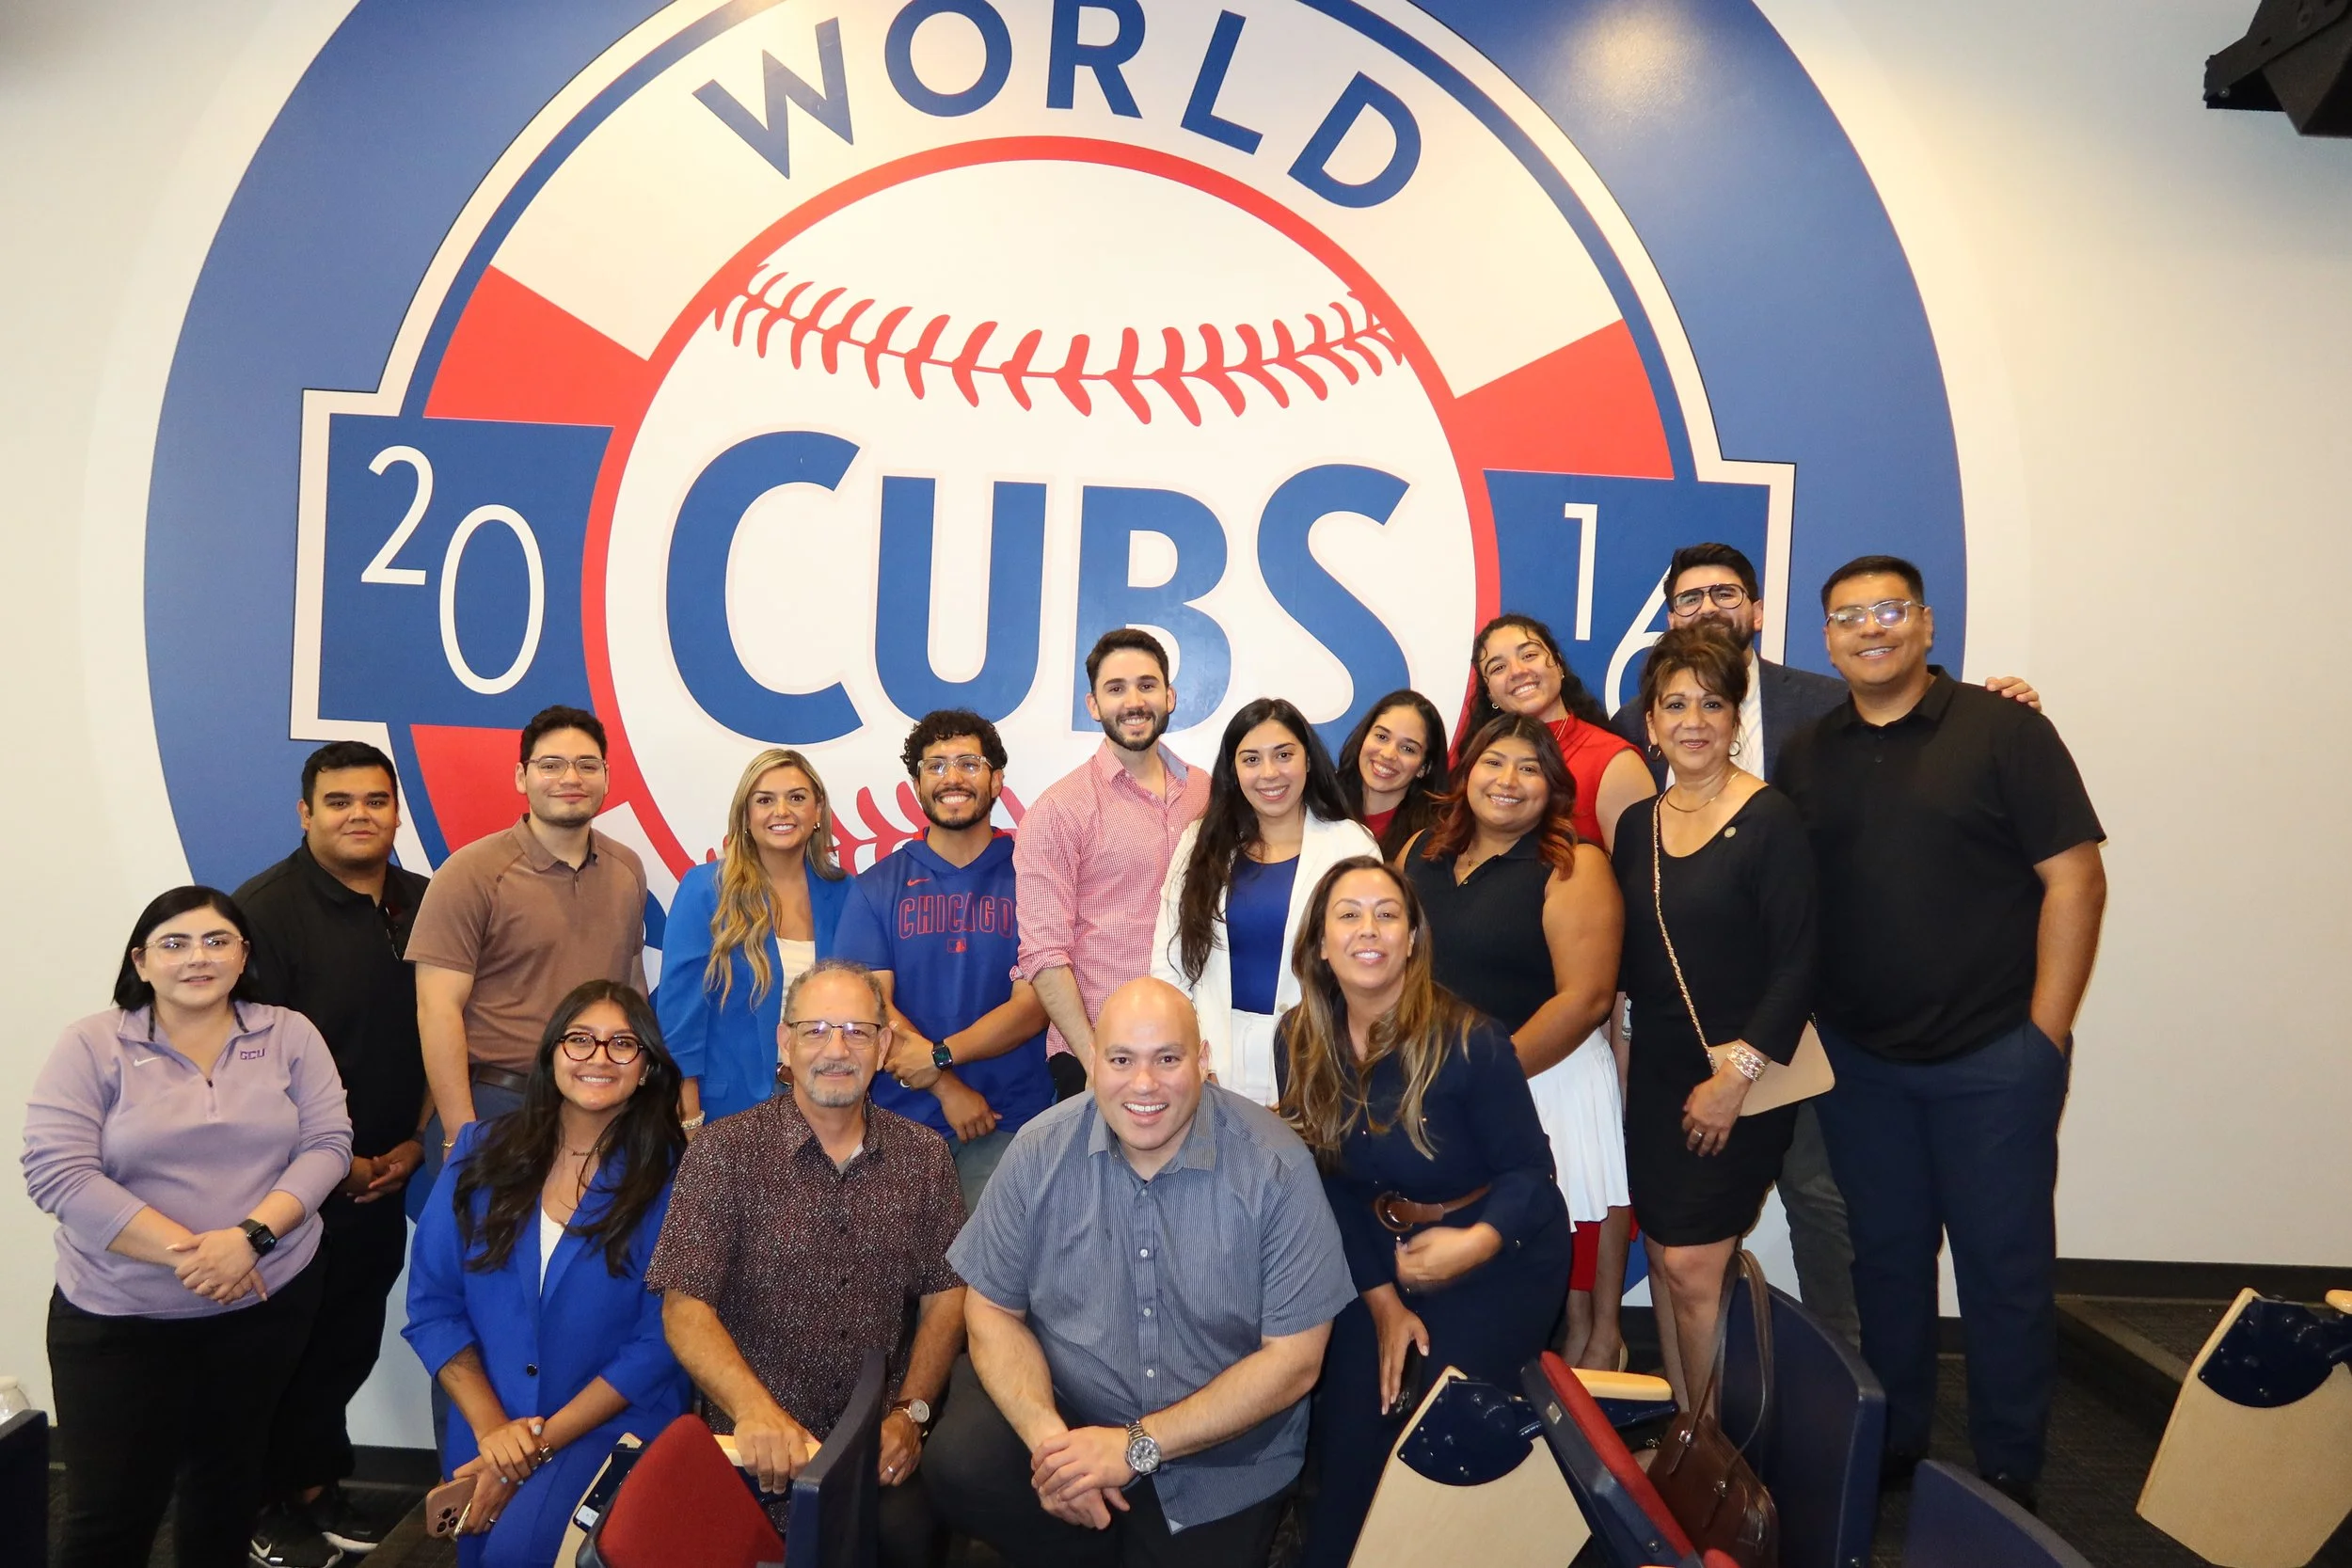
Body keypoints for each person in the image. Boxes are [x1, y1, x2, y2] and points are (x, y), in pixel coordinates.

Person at [1608, 541, 2042, 1347]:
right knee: (1681, 1255)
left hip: (1811, 1018)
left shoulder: (1820, 703)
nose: (1709, 608)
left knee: (1824, 1205)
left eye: (1726, 592)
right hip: (1676, 1042)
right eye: (1690, 597)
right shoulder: (1632, 734)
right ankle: (1702, 1439)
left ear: (1759, 609)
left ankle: (1849, 1405)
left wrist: (1998, 703)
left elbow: (1911, 724)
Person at [1777, 555, 2106, 1511]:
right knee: (1884, 1262)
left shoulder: (2006, 730)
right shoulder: (1809, 751)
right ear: (1827, 638)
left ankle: (2008, 1463)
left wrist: (2042, 1036)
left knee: (2004, 1269)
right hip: (1864, 1064)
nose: (1869, 629)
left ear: (1924, 624)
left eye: (1888, 610)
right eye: (1847, 617)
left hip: (1994, 1057)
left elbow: (2074, 880)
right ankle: (1899, 1438)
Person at [928, 978, 1353, 1567]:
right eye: (1122, 1059)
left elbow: (1296, 1362)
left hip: (1218, 1460)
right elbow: (992, 1307)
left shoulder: (1276, 1168)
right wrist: (1056, 1452)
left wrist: (1137, 1446)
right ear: (1092, 1061)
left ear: (1202, 1061)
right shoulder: (1039, 1149)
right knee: (961, 1462)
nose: (1144, 1084)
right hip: (1075, 1411)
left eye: (1168, 1059)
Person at [25, 887, 352, 1568]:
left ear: (243, 956)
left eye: (216, 940)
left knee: (227, 1495)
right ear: (141, 961)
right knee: (110, 1513)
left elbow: (328, 1146)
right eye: (174, 943)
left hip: (263, 1304)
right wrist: (197, 1256)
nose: (197, 957)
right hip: (120, 1321)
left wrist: (249, 1240)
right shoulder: (92, 1043)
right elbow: (58, 1173)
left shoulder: (290, 1033)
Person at [1276, 859, 1574, 1568]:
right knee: (1353, 1429)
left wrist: (1472, 1244)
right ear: (1320, 942)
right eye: (1348, 914)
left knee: (1432, 1428)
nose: (1369, 929)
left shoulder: (1471, 1039)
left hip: (1500, 1257)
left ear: (1413, 938)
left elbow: (1532, 1174)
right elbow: (1331, 1186)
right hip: (1379, 1261)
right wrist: (1381, 1300)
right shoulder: (1299, 1037)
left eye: (1388, 913)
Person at [650, 959, 967, 1568]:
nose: (836, 1048)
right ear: (785, 1041)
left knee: (909, 1536)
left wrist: (913, 1413)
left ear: (883, 1046)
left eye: (856, 1030)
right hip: (753, 1451)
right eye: (816, 1029)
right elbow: (684, 1306)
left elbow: (946, 1296)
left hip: (878, 1448)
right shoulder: (724, 1152)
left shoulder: (926, 1157)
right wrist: (754, 1409)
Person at [403, 980, 689, 1568]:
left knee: (518, 1554)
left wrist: (530, 1449)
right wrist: (495, 1434)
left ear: (648, 1068)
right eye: (579, 1040)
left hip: (608, 1422)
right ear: (551, 1054)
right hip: (492, 1421)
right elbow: (433, 1307)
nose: (598, 1058)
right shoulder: (479, 1151)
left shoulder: (676, 1177)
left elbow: (659, 1342)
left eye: (622, 1044)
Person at [1611, 625, 1818, 1407]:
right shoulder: (1639, 825)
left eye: (1712, 703)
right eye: (1675, 704)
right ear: (1652, 723)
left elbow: (1799, 964)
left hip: (1743, 1074)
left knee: (1697, 1265)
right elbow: (1634, 973)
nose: (1693, 720)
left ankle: (1717, 1453)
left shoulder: (1771, 819)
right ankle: (1687, 1438)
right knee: (1665, 1260)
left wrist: (1736, 1078)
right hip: (1657, 1074)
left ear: (1736, 719)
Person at [235, 741, 432, 1563]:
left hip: (390, 1173)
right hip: (289, 1185)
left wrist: (415, 1142)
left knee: (345, 1340)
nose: (360, 814)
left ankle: (314, 1487)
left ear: (397, 809)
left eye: (376, 800)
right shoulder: (265, 911)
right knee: (279, 1349)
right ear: (305, 812)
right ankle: (250, 1505)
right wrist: (334, 1162)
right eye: (340, 800)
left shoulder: (427, 900)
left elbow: (441, 1031)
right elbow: (245, 1063)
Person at [1402, 714, 1630, 1371]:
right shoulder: (1420, 850)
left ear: (1553, 786)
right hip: (1437, 1086)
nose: (1508, 780)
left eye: (1529, 768)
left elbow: (1584, 999)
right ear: (1465, 772)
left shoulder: (1572, 864)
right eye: (1494, 762)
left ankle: (1582, 1440)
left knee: (1573, 1300)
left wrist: (1485, 1078)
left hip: (1544, 1080)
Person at [409, 705, 649, 1209]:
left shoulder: (627, 868)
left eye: (587, 765)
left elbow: (631, 989)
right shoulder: (470, 874)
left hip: (601, 1103)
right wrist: (460, 1132)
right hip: (500, 1105)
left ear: (606, 777)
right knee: (489, 1276)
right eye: (550, 765)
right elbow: (437, 1011)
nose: (570, 778)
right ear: (522, 776)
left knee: (590, 1274)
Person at [834, 711, 1053, 1209]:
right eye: (935, 766)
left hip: (1010, 1123)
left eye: (968, 763)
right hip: (897, 1129)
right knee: (895, 1287)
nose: (952, 778)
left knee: (989, 1285)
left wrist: (939, 1058)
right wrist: (945, 1086)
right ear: (917, 784)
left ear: (996, 779)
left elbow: (1035, 1005)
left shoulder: (1033, 876)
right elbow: (868, 1005)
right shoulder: (877, 887)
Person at [1150, 697, 1377, 1106]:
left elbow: (1368, 967)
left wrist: (1320, 1067)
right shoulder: (1199, 844)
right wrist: (1190, 1058)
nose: (1269, 773)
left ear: (1308, 760)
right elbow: (1169, 966)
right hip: (1212, 1057)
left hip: (1318, 1060)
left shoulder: (1349, 844)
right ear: (1234, 772)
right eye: (1251, 759)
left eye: (1284, 755)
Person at [1014, 628, 1212, 1094]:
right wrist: (1096, 1061)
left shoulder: (1205, 791)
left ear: (1170, 695)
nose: (1134, 701)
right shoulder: (1060, 809)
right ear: (1093, 705)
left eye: (1146, 685)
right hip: (1099, 1054)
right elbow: (1043, 955)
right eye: (1116, 688)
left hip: (1194, 1051)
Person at [656, 746, 853, 1126]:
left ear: (817, 811)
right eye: (765, 800)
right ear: (746, 815)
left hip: (825, 1108)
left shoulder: (844, 893)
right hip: (727, 1110)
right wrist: (689, 1117)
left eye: (796, 798)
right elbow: (680, 1018)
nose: (782, 812)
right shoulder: (706, 890)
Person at [1465, 612, 1652, 851]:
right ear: (1490, 694)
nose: (1517, 671)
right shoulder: (1478, 765)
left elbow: (1639, 876)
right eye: (1498, 667)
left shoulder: (1614, 761)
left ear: (1558, 663)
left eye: (1529, 655)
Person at [1332, 689, 1450, 860]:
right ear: (1364, 737)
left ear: (1424, 767)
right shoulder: (1321, 805)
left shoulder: (1432, 841)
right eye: (1381, 737)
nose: (1388, 754)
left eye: (1408, 749)